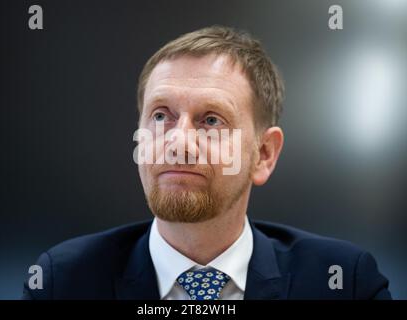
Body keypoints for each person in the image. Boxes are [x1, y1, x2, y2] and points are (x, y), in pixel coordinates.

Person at [22, 25, 391, 300]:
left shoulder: (343, 281)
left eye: (211, 120)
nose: (178, 141)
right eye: (161, 116)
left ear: (264, 154)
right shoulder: (63, 282)